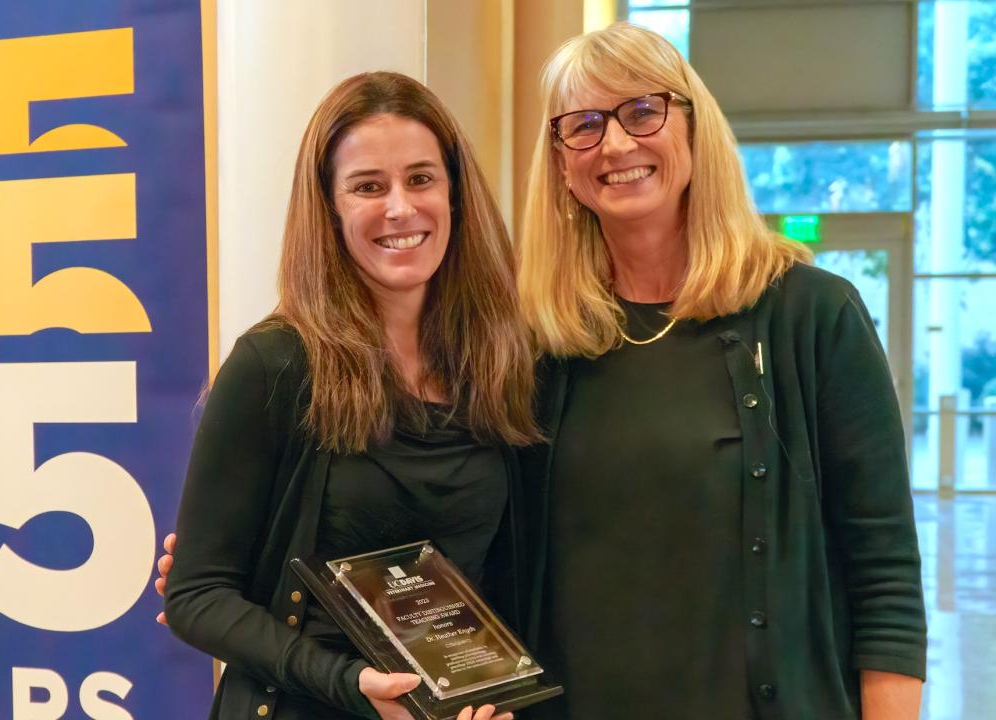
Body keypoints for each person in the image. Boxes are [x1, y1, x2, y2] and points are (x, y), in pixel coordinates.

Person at [516, 22, 927, 720]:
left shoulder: (813, 316)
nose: (615, 144)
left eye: (642, 111)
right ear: (560, 164)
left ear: (693, 126)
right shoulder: (540, 346)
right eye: (583, 125)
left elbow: (883, 571)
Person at [161, 71, 541, 720]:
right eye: (369, 186)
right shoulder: (276, 364)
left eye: (421, 179)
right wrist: (350, 682)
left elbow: (502, 582)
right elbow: (195, 594)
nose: (400, 207)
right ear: (330, 209)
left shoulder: (502, 363)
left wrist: (491, 697)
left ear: (454, 194)